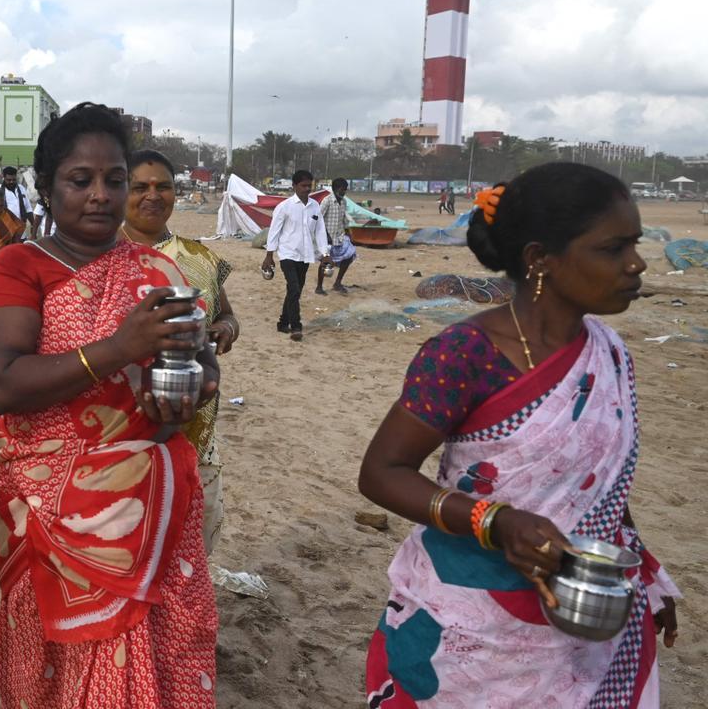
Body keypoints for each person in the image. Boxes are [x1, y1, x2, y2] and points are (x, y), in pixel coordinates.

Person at [358, 163, 680, 707]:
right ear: (539, 260)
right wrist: (495, 521)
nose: (636, 263)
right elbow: (381, 474)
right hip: (475, 632)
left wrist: (641, 573)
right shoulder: (465, 355)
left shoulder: (609, 351)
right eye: (613, 248)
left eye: (637, 243)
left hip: (590, 626)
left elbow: (598, 485)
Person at [0, 102, 220, 707]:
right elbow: (0, 384)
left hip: (152, 502)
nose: (101, 195)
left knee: (163, 650)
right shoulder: (18, 266)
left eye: (115, 180)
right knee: (62, 665)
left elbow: (200, 358)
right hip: (53, 508)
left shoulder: (155, 267)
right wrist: (118, 349)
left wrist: (196, 381)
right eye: (80, 180)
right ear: (47, 187)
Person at [122, 148, 240, 554]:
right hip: (119, 429)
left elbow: (226, 314)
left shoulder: (200, 258)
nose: (153, 196)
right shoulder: (99, 258)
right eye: (140, 187)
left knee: (191, 541)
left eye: (164, 187)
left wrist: (225, 327)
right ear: (122, 192)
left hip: (196, 415)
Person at [262, 169, 330, 341]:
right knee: (293, 288)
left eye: (309, 185)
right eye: (303, 185)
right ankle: (296, 327)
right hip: (287, 254)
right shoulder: (284, 207)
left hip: (306, 255)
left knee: (295, 291)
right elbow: (274, 232)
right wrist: (269, 255)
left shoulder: (315, 206)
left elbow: (320, 231)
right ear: (294, 186)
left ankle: (283, 322)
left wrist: (325, 253)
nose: (307, 189)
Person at [316, 177, 356, 296]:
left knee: (349, 256)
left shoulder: (344, 202)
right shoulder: (326, 201)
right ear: (335, 189)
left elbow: (344, 218)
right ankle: (319, 287)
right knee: (325, 262)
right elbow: (318, 218)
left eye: (345, 190)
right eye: (342, 189)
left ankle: (337, 283)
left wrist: (348, 232)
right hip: (327, 237)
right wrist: (324, 235)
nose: (344, 192)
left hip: (340, 236)